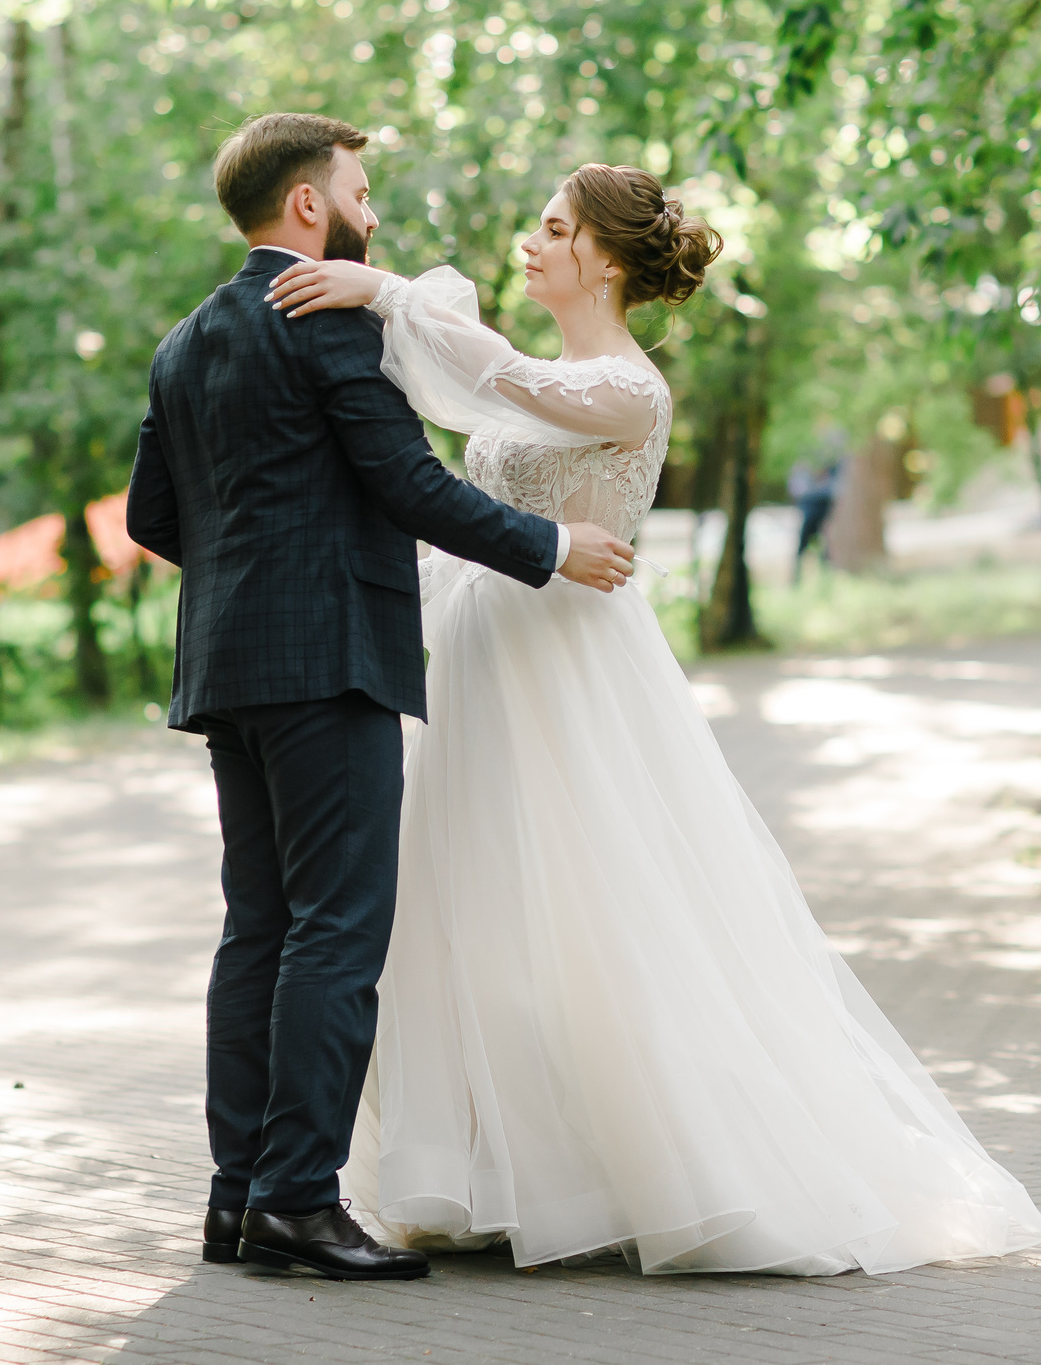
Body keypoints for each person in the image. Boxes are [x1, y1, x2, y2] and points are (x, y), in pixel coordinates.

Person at [265, 164, 1041, 1275]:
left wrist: (387, 291)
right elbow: (473, 443)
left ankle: (652, 1165)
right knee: (473, 911)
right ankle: (493, 1167)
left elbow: (494, 376)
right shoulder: (538, 375)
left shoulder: (626, 388)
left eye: (554, 230)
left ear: (605, 260)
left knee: (600, 911)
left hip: (573, 671)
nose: (531, 244)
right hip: (487, 656)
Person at [124, 113, 637, 1283]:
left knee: (258, 929)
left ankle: (236, 1200)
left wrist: (253, 567)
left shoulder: (182, 342)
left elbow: (155, 516)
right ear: (309, 205)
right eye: (358, 191)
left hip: (224, 665)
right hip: (330, 658)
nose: (371, 211)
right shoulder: (327, 319)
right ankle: (299, 1202)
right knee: (338, 930)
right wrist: (553, 546)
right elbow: (408, 483)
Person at [788, 442, 843, 583]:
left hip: (822, 503)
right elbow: (796, 486)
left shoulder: (830, 460)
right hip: (809, 503)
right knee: (807, 540)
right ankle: (798, 577)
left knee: (822, 542)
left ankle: (825, 579)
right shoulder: (803, 460)